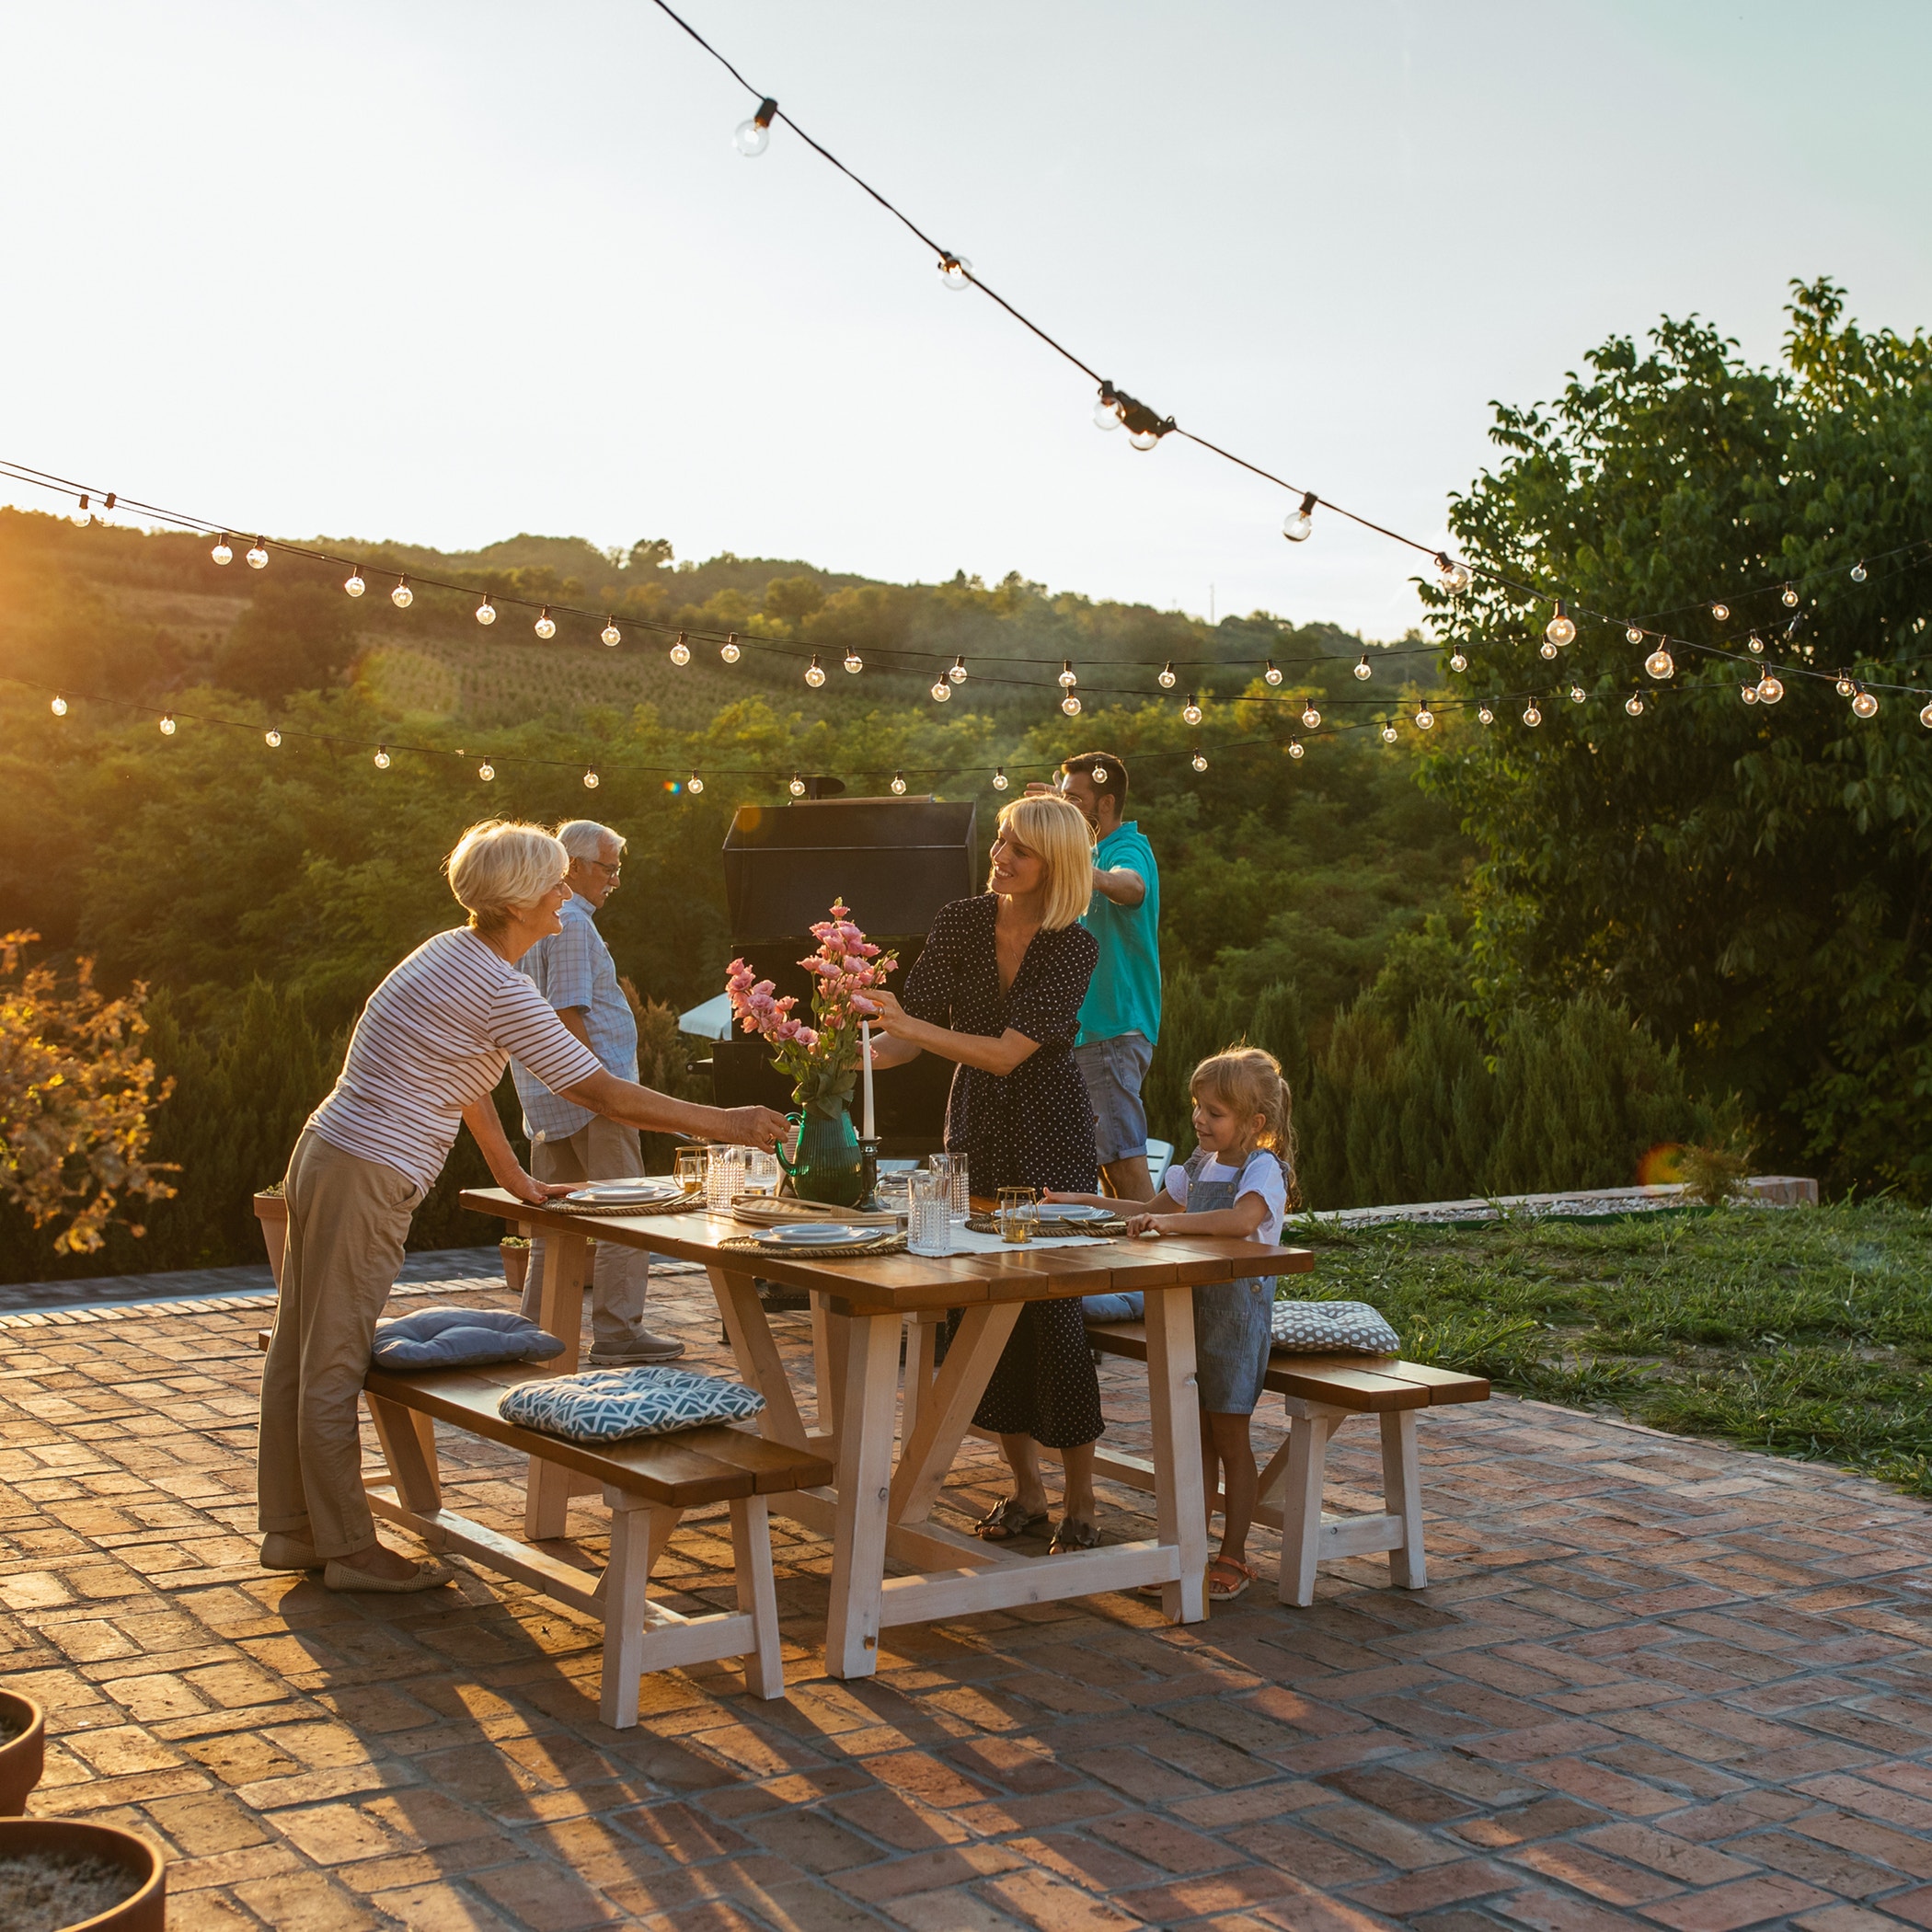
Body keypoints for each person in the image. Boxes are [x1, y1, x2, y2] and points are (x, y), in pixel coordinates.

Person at [259, 821, 788, 1593]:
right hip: (368, 1170)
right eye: (554, 883)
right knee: (333, 1358)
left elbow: (465, 1074)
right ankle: (345, 1549)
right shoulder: (497, 982)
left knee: (302, 1348)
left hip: (332, 1151)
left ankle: (292, 1530)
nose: (565, 894)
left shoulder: (454, 953)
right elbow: (597, 1090)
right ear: (520, 900)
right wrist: (725, 1122)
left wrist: (512, 1172)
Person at [866, 792, 1106, 1553]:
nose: (999, 857)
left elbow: (1006, 1052)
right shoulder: (961, 921)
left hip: (1051, 1132)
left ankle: (1085, 1501)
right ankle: (1028, 1492)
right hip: (975, 1128)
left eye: (1019, 850)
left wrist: (913, 1028)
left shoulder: (1074, 944)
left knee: (1054, 1316)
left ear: (1055, 866)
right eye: (1001, 842)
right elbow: (910, 1037)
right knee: (981, 1312)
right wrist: (840, 1056)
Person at [1050, 1045, 1296, 1604]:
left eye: (1215, 1112)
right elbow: (1145, 1209)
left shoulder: (1262, 1169)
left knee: (1229, 1438)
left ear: (1255, 1122)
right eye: (1198, 1107)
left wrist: (1169, 1223)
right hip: (1189, 1316)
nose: (1199, 1120)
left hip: (1234, 1322)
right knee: (1196, 1441)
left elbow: (1241, 1221)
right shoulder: (1199, 1165)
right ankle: (1190, 1551)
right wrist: (1081, 1201)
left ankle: (1234, 1555)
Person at [511, 819, 680, 1365]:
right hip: (592, 1097)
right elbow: (567, 1012)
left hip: (543, 1095)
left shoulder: (530, 921)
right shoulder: (573, 924)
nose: (614, 881)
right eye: (608, 869)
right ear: (575, 866)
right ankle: (618, 1333)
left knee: (552, 1226)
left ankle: (537, 1337)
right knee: (625, 1213)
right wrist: (600, 1092)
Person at [1033, 754, 1160, 1200]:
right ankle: (1131, 1258)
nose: (1067, 806)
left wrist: (1087, 874)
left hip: (1112, 1028)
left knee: (1123, 1162)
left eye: (1075, 800)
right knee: (1107, 1161)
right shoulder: (1093, 846)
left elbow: (1132, 886)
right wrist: (1058, 808)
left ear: (1105, 804)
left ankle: (1163, 1263)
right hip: (1096, 1031)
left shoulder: (1127, 847)